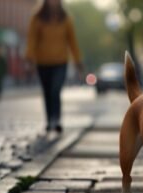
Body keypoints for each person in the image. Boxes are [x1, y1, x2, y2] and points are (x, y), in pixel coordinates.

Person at [26, 0, 83, 133]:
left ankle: (56, 119)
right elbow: (32, 39)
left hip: (60, 62)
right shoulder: (37, 18)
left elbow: (72, 41)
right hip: (42, 62)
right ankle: (49, 120)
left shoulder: (66, 19)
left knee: (55, 90)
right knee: (47, 92)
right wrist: (29, 57)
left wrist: (78, 60)